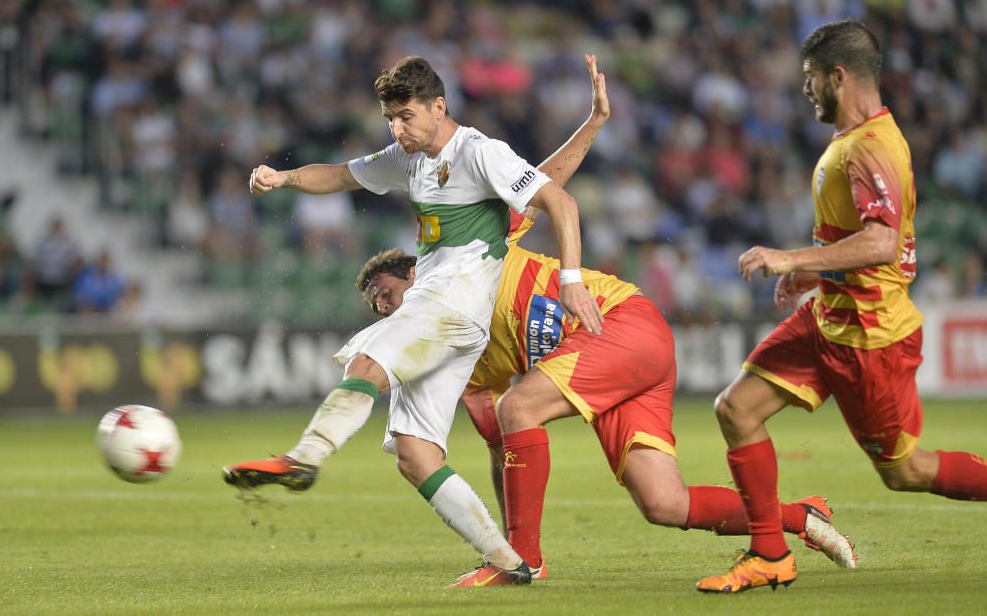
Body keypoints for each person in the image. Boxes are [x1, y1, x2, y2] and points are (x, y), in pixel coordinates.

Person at [355, 60, 857, 580]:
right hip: (615, 364)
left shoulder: (476, 248)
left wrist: (593, 124)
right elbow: (504, 450)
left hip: (621, 324)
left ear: (418, 267)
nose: (388, 310)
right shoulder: (459, 360)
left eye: (389, 294)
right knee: (665, 504)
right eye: (379, 309)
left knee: (520, 404)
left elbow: (541, 185)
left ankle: (525, 562)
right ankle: (801, 517)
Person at [223, 54, 604, 588]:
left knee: (367, 358)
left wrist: (571, 281)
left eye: (405, 116)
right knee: (415, 455)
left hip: (449, 304)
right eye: (390, 120)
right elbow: (338, 175)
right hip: (451, 318)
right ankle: (511, 561)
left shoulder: (478, 152)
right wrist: (282, 177)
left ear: (438, 106)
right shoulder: (410, 159)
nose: (396, 128)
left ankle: (303, 457)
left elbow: (558, 201)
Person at [697, 19, 987, 594]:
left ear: (838, 76)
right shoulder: (853, 143)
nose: (805, 91)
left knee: (905, 472)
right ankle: (771, 554)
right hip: (828, 318)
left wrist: (788, 258)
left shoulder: (872, 149)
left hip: (871, 338)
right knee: (735, 409)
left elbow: (882, 242)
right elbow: (862, 237)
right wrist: (812, 272)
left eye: (810, 79)